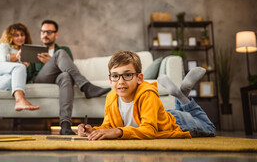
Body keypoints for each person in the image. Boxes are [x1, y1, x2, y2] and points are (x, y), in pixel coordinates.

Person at [78, 50, 216, 140]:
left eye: (127, 75)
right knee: (178, 111)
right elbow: (109, 126)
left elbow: (149, 131)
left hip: (177, 122)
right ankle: (181, 95)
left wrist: (119, 132)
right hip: (157, 115)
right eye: (115, 76)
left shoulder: (147, 94)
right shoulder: (111, 97)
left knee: (209, 127)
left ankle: (183, 98)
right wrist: (92, 130)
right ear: (110, 80)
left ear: (139, 78)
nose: (120, 82)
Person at [24, 20, 111, 135]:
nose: (45, 34)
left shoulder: (65, 50)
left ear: (56, 34)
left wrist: (51, 61)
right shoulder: (34, 51)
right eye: (43, 32)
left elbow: (69, 69)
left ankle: (65, 125)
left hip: (59, 78)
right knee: (60, 54)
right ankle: (85, 86)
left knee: (65, 75)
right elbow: (29, 76)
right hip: (41, 79)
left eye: (49, 32)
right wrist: (26, 66)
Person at [0, 23, 40, 111]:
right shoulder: (5, 46)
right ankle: (20, 100)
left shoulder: (27, 53)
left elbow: (24, 76)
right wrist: (18, 57)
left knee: (10, 81)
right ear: (10, 37)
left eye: (22, 35)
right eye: (16, 35)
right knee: (19, 67)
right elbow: (3, 60)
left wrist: (26, 66)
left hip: (1, 78)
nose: (20, 38)